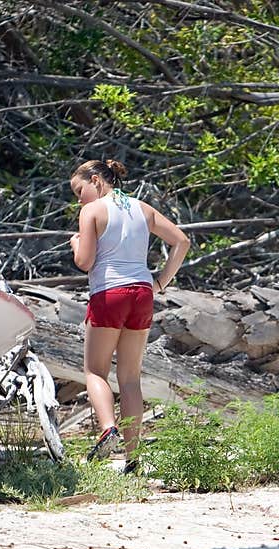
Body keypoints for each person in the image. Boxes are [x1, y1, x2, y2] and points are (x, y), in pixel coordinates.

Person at [69, 159, 190, 472]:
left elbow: (85, 261)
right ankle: (133, 458)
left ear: (95, 180)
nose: (79, 199)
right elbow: (182, 241)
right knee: (130, 378)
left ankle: (108, 429)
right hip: (141, 294)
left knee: (95, 372)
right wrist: (161, 281)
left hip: (110, 293)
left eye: (79, 190)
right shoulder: (142, 207)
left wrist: (76, 244)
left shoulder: (92, 211)